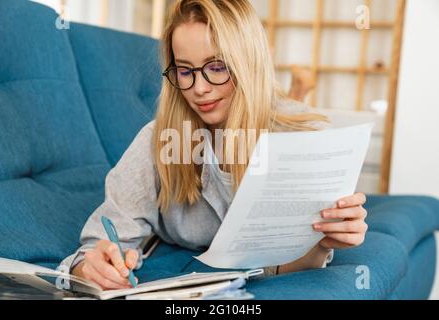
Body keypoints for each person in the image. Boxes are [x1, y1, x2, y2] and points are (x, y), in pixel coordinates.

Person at [61, 0, 368, 290]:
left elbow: (292, 263)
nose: (200, 89)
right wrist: (91, 267)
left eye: (217, 67)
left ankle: (297, 91)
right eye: (185, 71)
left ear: (247, 62)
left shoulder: (307, 137)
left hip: (279, 124)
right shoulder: (159, 139)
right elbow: (95, 247)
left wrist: (324, 241)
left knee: (283, 114)